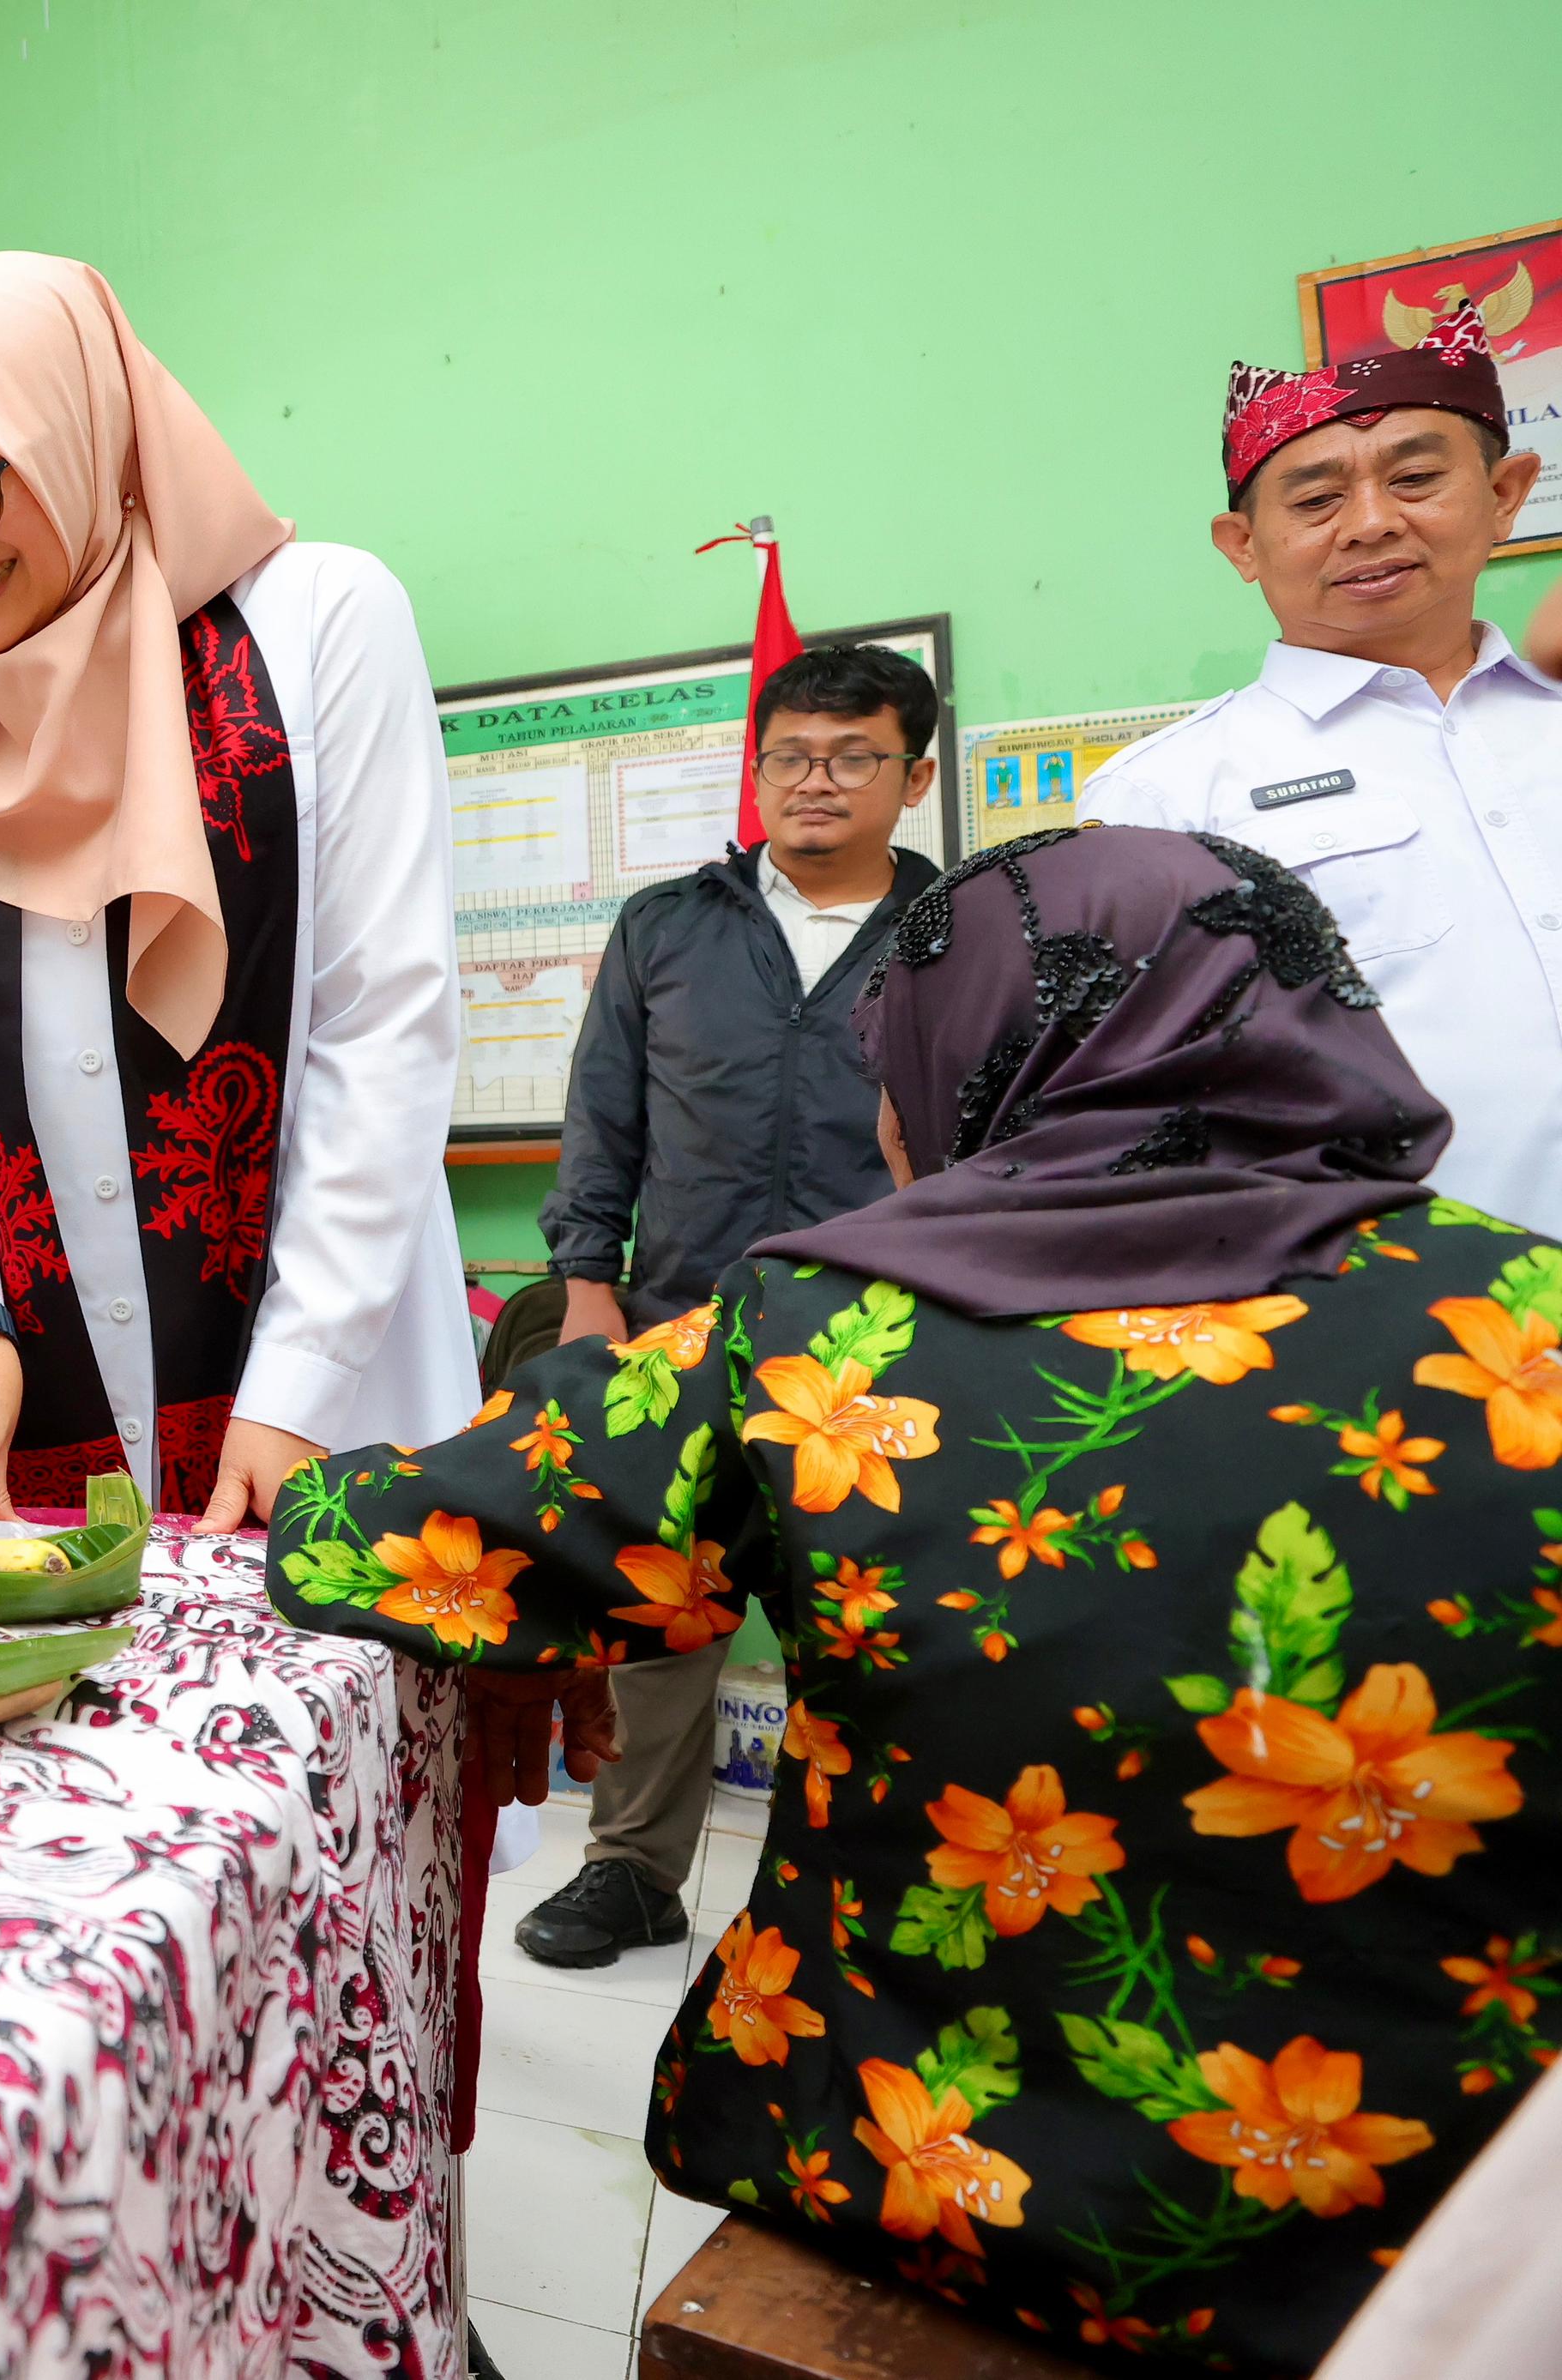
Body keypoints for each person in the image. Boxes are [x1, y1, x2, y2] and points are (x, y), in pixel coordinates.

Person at [274, 825, 1553, 2374]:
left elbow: (398, 1535)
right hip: (1465, 2253)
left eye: (897, 1056)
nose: (886, 1113)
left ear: (986, 1062)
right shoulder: (1528, 1325)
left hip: (918, 2175)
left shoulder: (839, 1332)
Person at [0, 252, 473, 1528]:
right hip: (5, 1416)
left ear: (75, 435)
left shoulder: (320, 623)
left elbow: (383, 1016)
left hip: (329, 1393)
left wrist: (302, 1381)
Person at [516, 639, 944, 1968]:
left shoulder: (960, 928)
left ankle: (853, 1889)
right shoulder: (668, 925)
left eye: (854, 756)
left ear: (913, 774)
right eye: (791, 756)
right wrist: (591, 1291)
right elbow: (602, 1122)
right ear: (759, 767)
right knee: (662, 1605)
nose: (817, 782)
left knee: (867, 1622)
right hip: (677, 1317)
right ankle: (635, 1871)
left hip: (880, 1330)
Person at [1082, 300, 1559, 1227]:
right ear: (1242, 546)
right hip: (1404, 1316)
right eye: (1314, 500)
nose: (1371, 522)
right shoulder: (1166, 793)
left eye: (1415, 477)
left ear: (1505, 494)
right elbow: (1129, 1103)